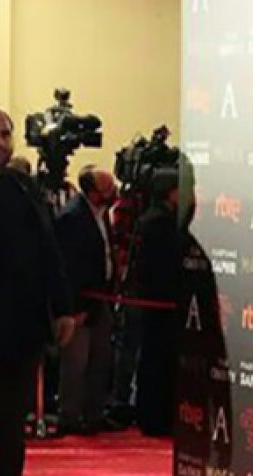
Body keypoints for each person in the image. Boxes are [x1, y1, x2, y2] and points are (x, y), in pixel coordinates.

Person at [0, 106, 75, 476]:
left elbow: (49, 251)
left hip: (21, 328)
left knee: (10, 426)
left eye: (5, 134)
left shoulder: (25, 187)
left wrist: (62, 309)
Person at [54, 165, 119, 435]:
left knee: (101, 359)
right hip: (80, 302)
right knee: (76, 362)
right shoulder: (71, 217)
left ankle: (94, 413)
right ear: (92, 192)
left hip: (101, 297)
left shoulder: (102, 215)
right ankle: (69, 416)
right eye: (107, 188)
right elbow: (66, 267)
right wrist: (72, 309)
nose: (114, 191)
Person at [131, 171, 182, 436]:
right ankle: (155, 417)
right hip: (160, 301)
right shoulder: (161, 222)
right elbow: (164, 265)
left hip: (153, 300)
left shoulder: (151, 218)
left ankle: (152, 415)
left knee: (153, 360)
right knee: (157, 361)